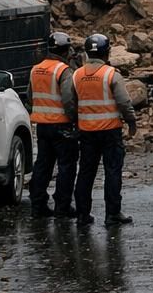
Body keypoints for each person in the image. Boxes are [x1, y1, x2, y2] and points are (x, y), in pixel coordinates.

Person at [66, 33, 136, 227]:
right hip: (110, 131)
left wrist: (75, 122)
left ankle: (82, 214)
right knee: (112, 172)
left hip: (87, 132)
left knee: (86, 172)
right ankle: (112, 214)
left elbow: (71, 103)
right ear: (107, 53)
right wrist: (131, 121)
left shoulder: (77, 74)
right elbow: (124, 101)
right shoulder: (111, 74)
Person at [28, 32, 78, 218]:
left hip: (42, 126)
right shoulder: (63, 70)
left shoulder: (36, 69)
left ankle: (38, 204)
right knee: (66, 166)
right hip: (62, 126)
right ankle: (62, 206)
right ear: (65, 50)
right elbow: (68, 99)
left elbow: (30, 95)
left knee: (43, 165)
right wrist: (74, 119)